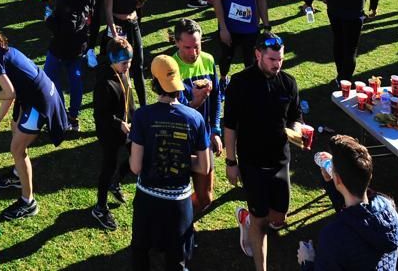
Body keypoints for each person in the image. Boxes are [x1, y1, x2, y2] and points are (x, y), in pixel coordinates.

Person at [0, 27, 68, 221]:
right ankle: (17, 174)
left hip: (39, 102)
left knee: (17, 149)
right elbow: (10, 93)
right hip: (37, 94)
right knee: (15, 127)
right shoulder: (1, 51)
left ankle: (28, 202)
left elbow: (9, 93)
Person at [223, 33, 302, 271]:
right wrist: (230, 161)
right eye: (271, 59)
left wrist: (297, 132)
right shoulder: (240, 83)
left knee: (279, 218)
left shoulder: (288, 83)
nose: (277, 64)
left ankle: (246, 219)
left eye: (280, 59)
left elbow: (295, 117)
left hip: (280, 161)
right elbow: (230, 125)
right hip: (252, 162)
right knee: (261, 222)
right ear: (258, 55)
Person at [129, 54, 210, 271]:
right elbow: (204, 167)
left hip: (147, 200)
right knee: (177, 260)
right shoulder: (194, 118)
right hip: (179, 203)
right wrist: (182, 161)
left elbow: (135, 167)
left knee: (141, 252)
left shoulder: (142, 116)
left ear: (155, 83)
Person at [297, 135, 398, 271]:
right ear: (369, 175)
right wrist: (332, 182)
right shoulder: (389, 209)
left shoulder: (334, 236)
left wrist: (307, 261)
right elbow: (355, 210)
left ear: (339, 179)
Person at [171, 18, 222, 214]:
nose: (193, 53)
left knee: (205, 198)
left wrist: (215, 129)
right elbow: (177, 109)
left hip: (204, 138)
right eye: (187, 47)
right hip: (179, 140)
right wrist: (196, 103)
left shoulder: (208, 60)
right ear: (176, 43)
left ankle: (183, 218)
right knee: (176, 194)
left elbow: (217, 97)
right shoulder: (171, 66)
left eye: (197, 46)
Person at [43, 0, 96, 132]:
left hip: (61, 47)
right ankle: (73, 116)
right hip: (79, 45)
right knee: (75, 79)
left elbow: (67, 27)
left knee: (50, 78)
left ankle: (61, 115)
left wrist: (49, 19)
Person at [90, 37, 135, 231]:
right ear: (112, 59)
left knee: (136, 157)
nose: (128, 66)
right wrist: (119, 124)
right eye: (125, 63)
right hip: (110, 132)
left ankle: (116, 182)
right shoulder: (104, 82)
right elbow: (100, 115)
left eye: (130, 61)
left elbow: (128, 98)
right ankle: (100, 207)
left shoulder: (123, 72)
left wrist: (134, 119)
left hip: (128, 127)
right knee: (108, 167)